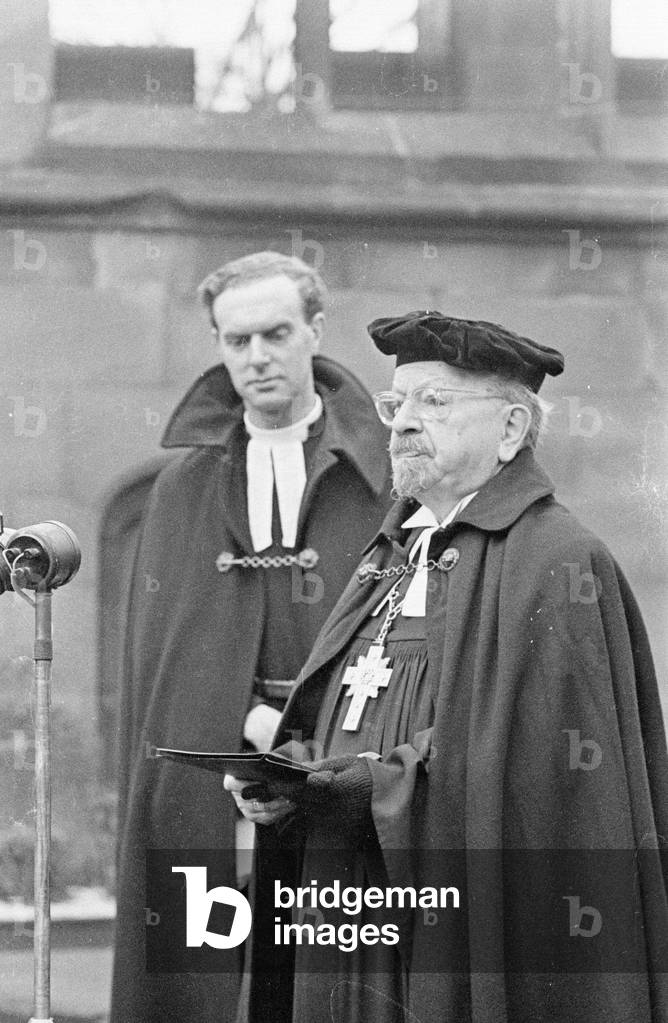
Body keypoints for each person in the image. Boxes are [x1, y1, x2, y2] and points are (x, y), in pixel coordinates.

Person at [228, 311, 668, 1023]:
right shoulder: (389, 554)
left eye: (434, 402)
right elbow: (354, 712)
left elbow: (533, 776)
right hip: (344, 914)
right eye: (395, 403)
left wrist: (371, 787)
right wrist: (291, 775)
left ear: (511, 431)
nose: (402, 422)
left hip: (453, 934)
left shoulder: (555, 561)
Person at [110, 252, 391, 1023]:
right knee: (208, 975)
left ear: (314, 331)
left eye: (275, 333)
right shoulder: (184, 485)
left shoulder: (382, 477)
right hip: (214, 774)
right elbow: (173, 653)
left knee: (329, 975)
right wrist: (239, 734)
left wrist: (299, 744)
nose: (257, 357)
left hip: (339, 761)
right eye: (237, 341)